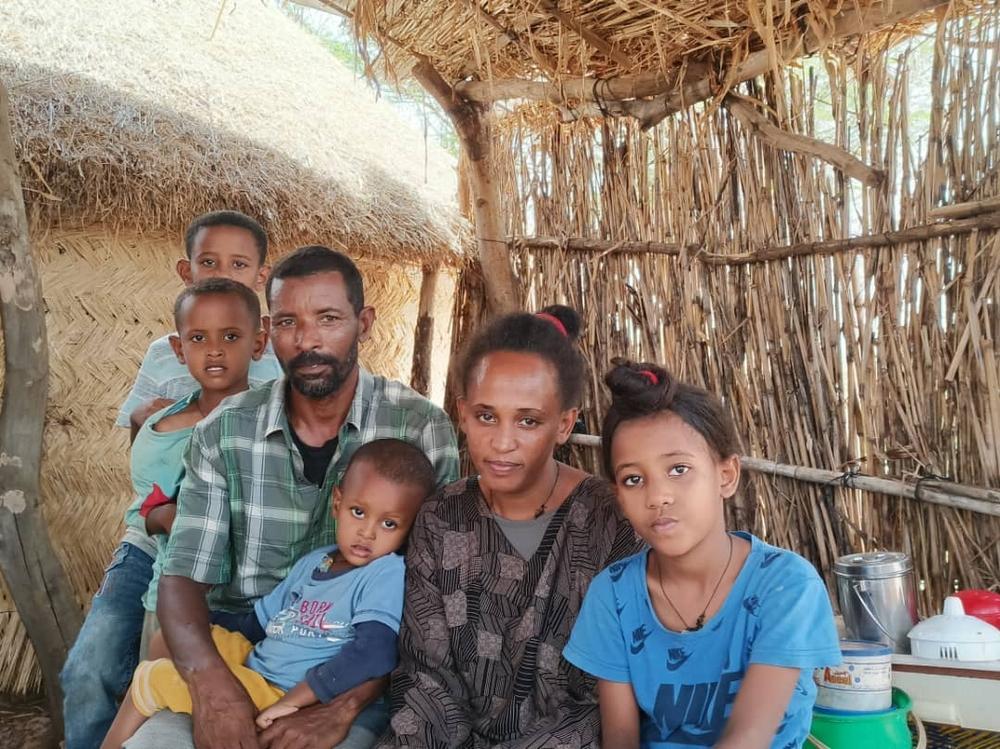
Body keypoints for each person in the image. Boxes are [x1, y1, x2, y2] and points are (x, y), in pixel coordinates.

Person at [126, 245, 459, 749]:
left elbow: (428, 607)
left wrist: (341, 708)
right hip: (247, 658)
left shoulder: (419, 429)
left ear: (364, 322)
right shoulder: (226, 429)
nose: (307, 341)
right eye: (287, 322)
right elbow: (183, 578)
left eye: (328, 319)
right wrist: (215, 688)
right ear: (268, 331)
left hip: (359, 681)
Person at [377, 306, 643, 749]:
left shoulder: (609, 518)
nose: (502, 442)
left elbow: (608, 693)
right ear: (462, 413)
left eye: (528, 421)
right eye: (486, 416)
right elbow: (427, 677)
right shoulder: (443, 517)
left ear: (563, 424)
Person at [563, 361, 841, 749]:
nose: (657, 495)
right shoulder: (612, 595)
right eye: (634, 479)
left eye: (678, 469)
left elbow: (748, 737)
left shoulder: (786, 586)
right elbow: (621, 739)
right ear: (620, 497)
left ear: (726, 476)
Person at [102, 439, 436, 749]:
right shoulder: (314, 562)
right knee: (167, 640)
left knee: (152, 679)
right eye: (359, 512)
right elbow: (255, 626)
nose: (368, 532)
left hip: (284, 689)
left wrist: (295, 700)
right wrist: (200, 622)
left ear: (410, 529)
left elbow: (375, 652)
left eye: (389, 524)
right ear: (338, 503)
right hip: (258, 663)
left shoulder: (385, 573)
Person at [60, 278, 268, 749]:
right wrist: (172, 517)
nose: (214, 351)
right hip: (171, 584)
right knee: (151, 685)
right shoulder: (161, 428)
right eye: (198, 339)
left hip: (250, 590)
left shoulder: (272, 420)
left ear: (260, 343)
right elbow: (149, 506)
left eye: (231, 337)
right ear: (178, 348)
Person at [116, 209, 283, 440]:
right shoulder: (162, 354)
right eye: (208, 262)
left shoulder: (280, 355)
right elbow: (142, 440)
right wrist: (146, 418)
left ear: (261, 277)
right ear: (187, 271)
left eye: (239, 264)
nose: (223, 274)